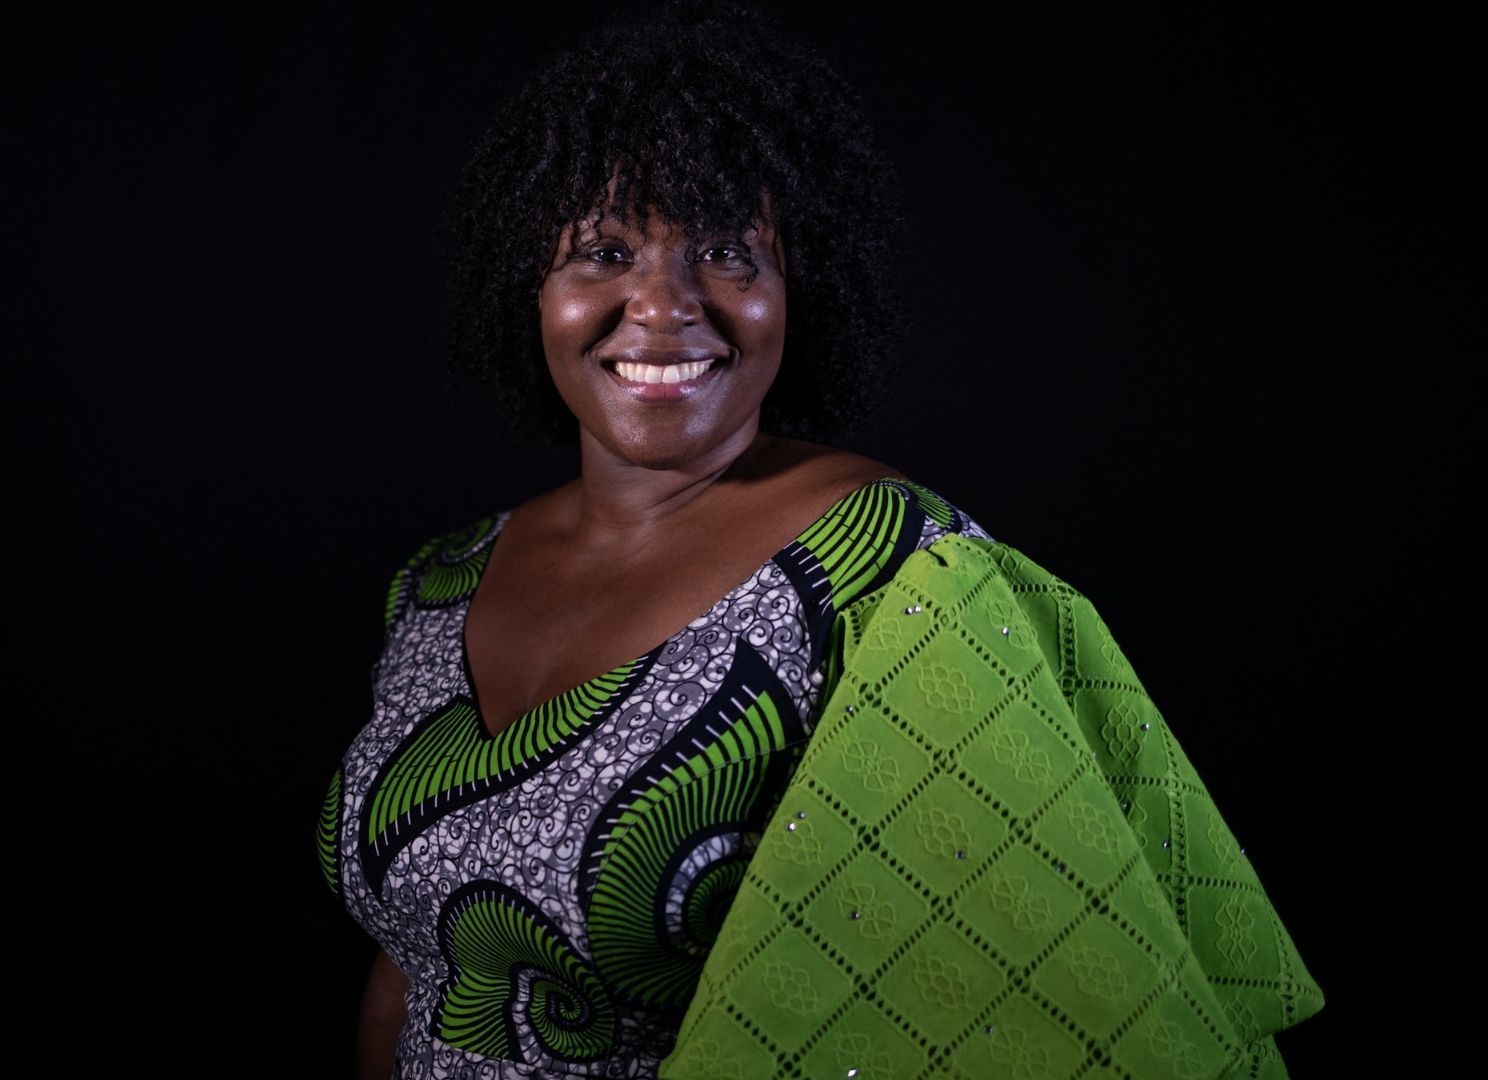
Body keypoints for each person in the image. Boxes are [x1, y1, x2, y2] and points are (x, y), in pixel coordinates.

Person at [316, 5, 1323, 1077]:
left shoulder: (898, 568)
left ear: (799, 287)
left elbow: (1010, 987)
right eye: (604, 252)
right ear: (531, 288)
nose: (663, 306)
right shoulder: (443, 581)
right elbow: (409, 964)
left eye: (725, 252)